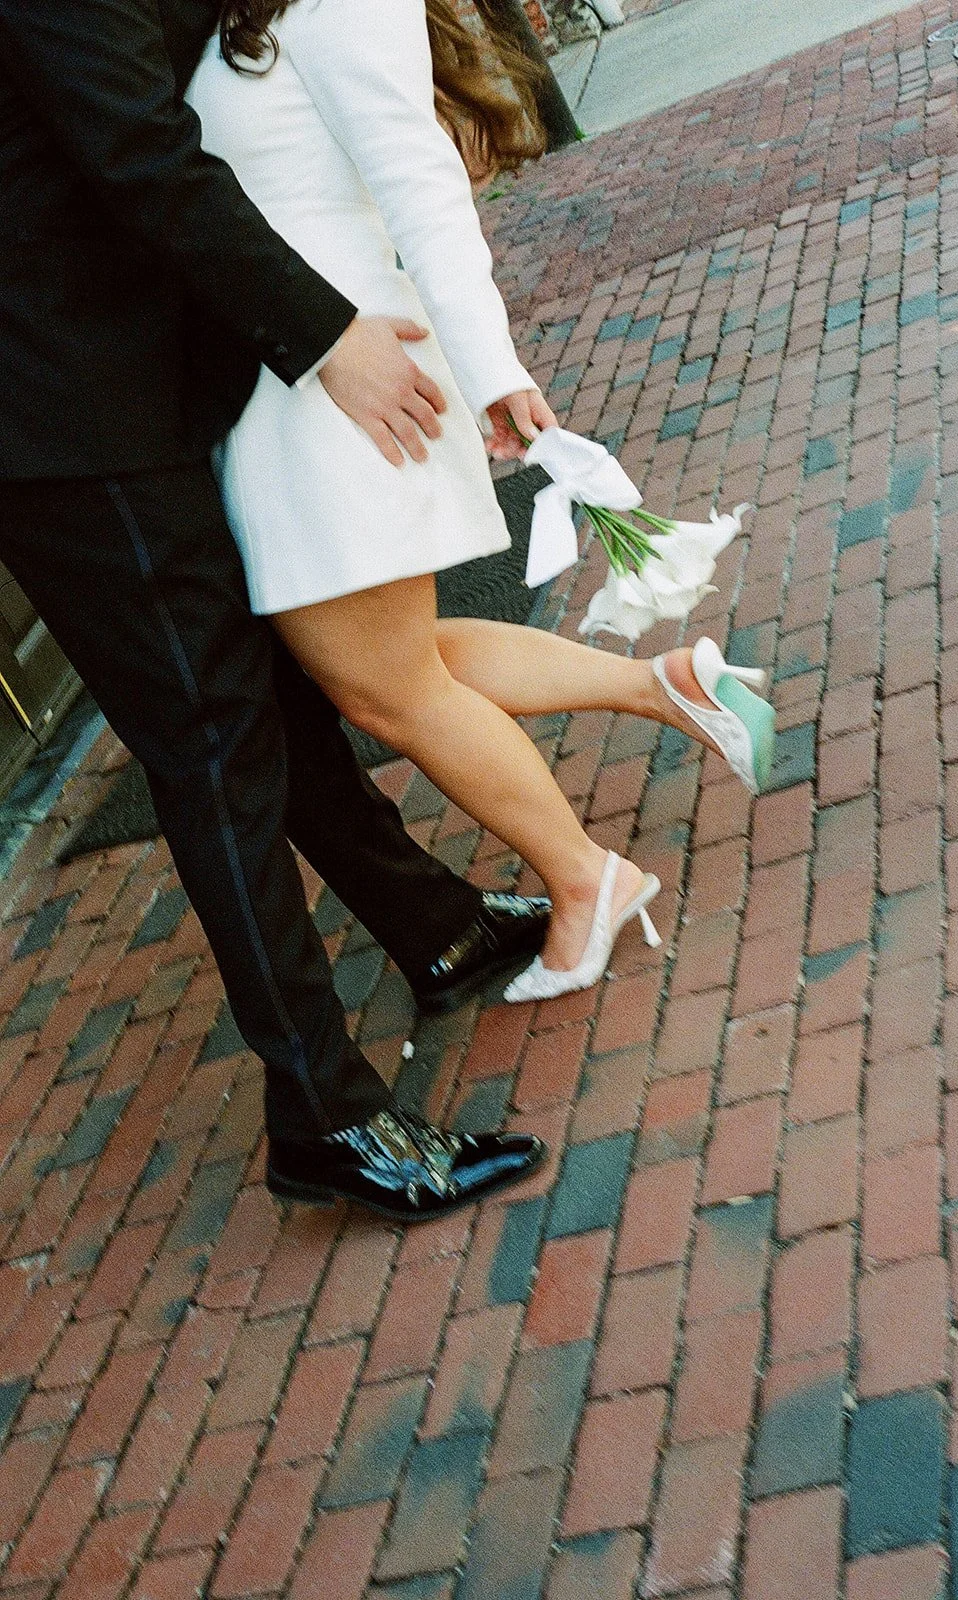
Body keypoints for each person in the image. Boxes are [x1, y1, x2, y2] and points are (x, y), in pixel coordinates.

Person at [0, 0, 550, 1219]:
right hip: (61, 404)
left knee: (262, 693)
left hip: (128, 372)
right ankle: (325, 1117)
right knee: (211, 740)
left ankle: (436, 924)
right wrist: (325, 337)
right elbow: (141, 152)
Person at [186, 0, 777, 1007]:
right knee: (393, 665)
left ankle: (588, 878)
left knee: (380, 688)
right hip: (292, 383)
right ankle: (669, 686)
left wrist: (492, 365)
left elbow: (420, 183)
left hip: (349, 378)